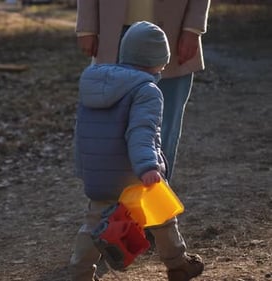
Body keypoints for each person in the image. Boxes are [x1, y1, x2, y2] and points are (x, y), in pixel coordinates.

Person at [70, 21, 204, 281]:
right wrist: (148, 167)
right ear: (158, 61)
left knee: (94, 224)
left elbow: (83, 131)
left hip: (98, 173)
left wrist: (83, 169)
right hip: (134, 171)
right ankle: (178, 264)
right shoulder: (147, 91)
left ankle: (80, 274)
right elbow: (141, 132)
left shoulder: (94, 83)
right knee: (162, 214)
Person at [75, 0, 210, 181]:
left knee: (164, 128)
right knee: (109, 129)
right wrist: (86, 26)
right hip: (112, 29)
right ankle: (115, 202)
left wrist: (193, 27)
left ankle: (157, 199)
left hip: (172, 30)